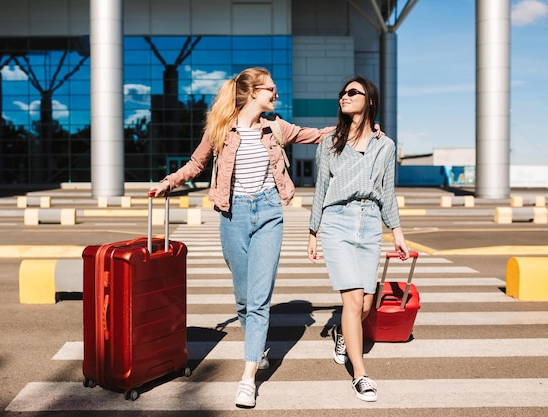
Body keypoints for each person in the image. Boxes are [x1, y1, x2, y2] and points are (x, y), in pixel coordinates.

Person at [149, 67, 335, 408]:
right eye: (271, 90)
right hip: (232, 215)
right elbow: (196, 164)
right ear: (252, 93)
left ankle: (248, 378)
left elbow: (316, 134)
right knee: (244, 299)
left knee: (260, 298)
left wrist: (357, 128)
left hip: (269, 213)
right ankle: (257, 345)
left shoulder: (275, 127)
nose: (276, 95)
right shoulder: (221, 128)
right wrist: (168, 182)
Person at [306, 75, 409, 402]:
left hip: (369, 223)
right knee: (352, 301)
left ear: (370, 101)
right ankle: (360, 374)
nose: (344, 97)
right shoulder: (330, 141)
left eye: (353, 92)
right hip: (337, 219)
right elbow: (320, 187)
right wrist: (313, 231)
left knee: (365, 303)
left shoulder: (385, 145)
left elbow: (387, 192)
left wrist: (398, 232)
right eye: (342, 93)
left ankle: (341, 331)